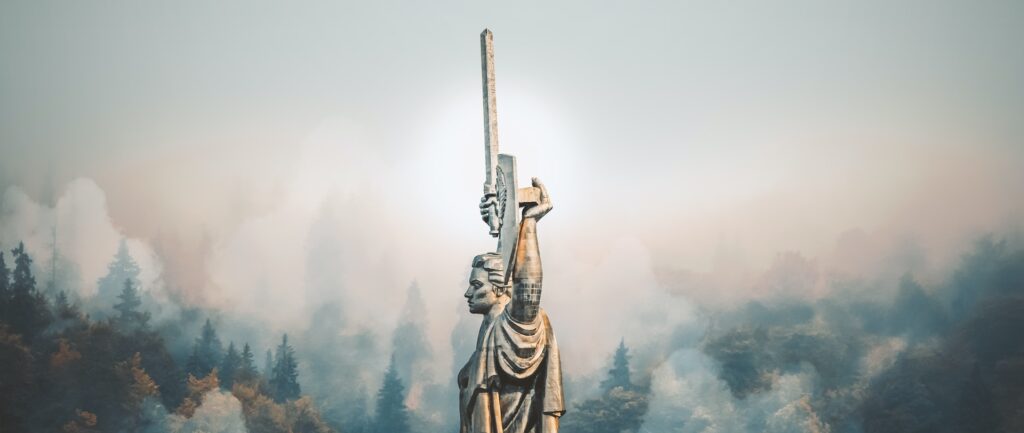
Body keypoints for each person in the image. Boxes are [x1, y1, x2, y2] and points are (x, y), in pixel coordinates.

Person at [458, 178, 564, 433]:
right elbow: (504, 272)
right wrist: (501, 223)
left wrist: (528, 223)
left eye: (476, 285)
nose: (467, 293)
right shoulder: (493, 328)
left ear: (497, 288)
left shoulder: (514, 326)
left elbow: (527, 288)